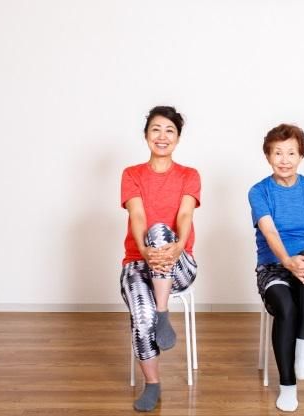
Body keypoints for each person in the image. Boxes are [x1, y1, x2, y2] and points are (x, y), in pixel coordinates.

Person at [119, 106, 200, 412]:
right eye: (156, 129)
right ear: (146, 135)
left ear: (177, 138)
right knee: (142, 316)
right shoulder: (132, 174)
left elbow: (185, 215)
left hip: (179, 265)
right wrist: (145, 251)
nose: (162, 136)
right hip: (138, 263)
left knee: (160, 231)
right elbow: (137, 215)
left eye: (169, 130)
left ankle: (162, 312)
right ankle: (152, 383)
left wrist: (177, 247)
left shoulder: (189, 175)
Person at [248, 123, 304, 412]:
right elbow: (269, 231)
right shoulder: (259, 191)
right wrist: (287, 262)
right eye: (278, 153)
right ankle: (287, 385)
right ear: (268, 156)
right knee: (285, 306)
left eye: (291, 153)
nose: (284, 160)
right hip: (273, 266)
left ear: (301, 156)